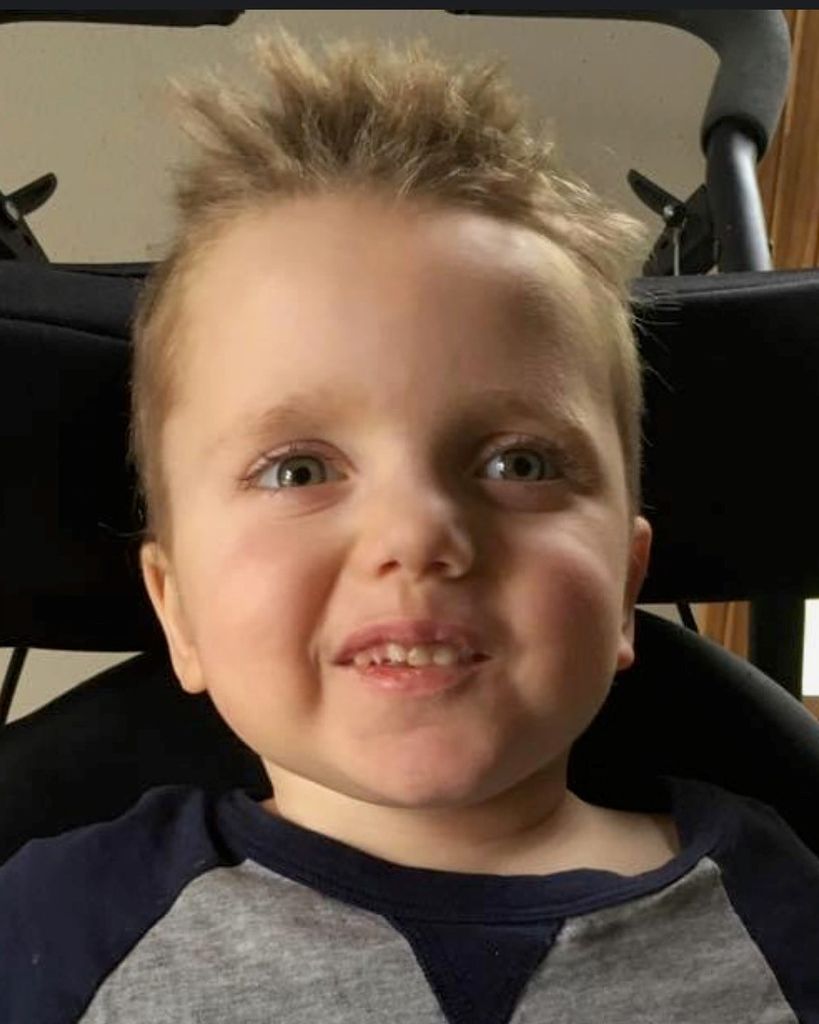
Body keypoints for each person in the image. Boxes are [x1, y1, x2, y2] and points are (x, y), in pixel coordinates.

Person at [2, 28, 818, 1024]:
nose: (417, 535)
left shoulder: (784, 911)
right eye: (298, 469)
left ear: (622, 587)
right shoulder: (55, 929)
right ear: (177, 613)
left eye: (519, 463)